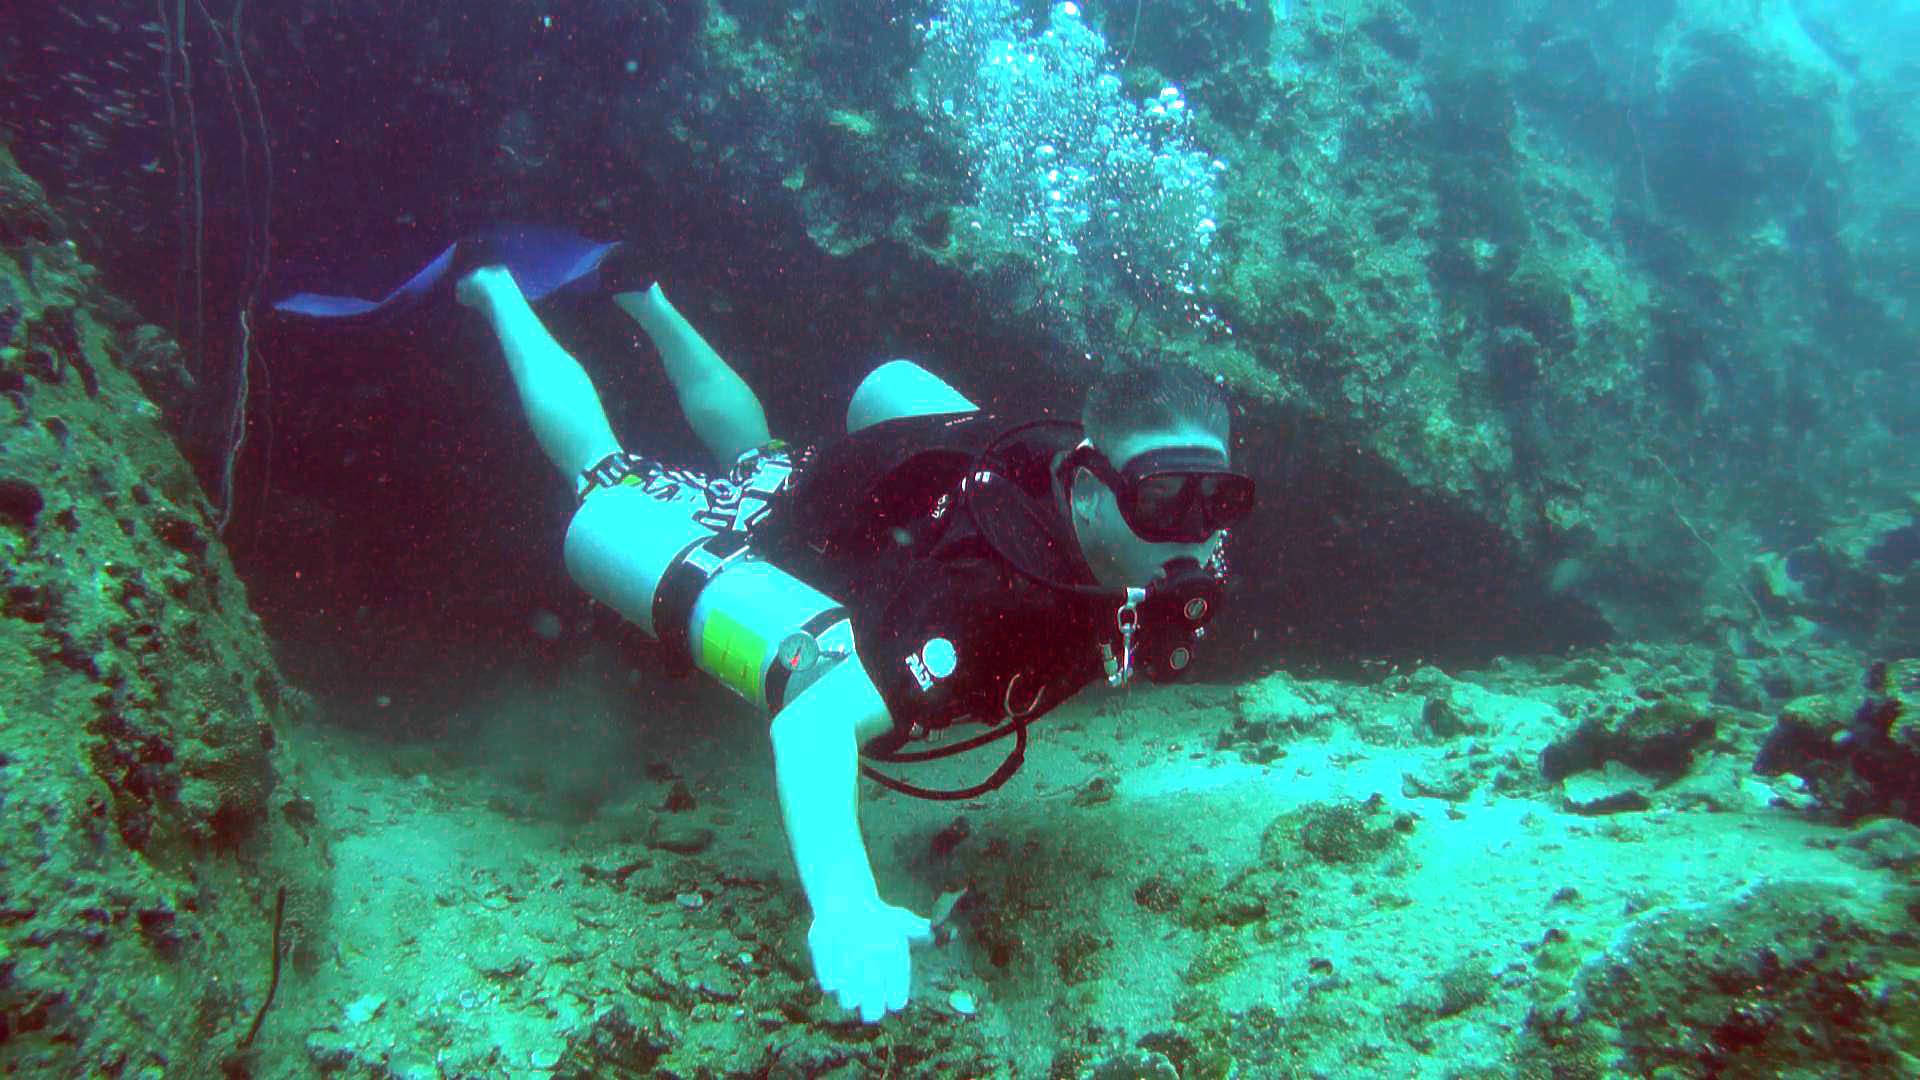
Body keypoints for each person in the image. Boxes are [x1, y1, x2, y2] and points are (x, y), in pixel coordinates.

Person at [452, 262, 1255, 1023]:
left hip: (854, 499)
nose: (1195, 534)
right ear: (1086, 489)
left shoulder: (1146, 526)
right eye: (1162, 500)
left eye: (1220, 499)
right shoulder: (983, 595)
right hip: (771, 540)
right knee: (606, 477)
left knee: (757, 454)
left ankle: (643, 294)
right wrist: (845, 903)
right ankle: (492, 283)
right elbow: (814, 719)